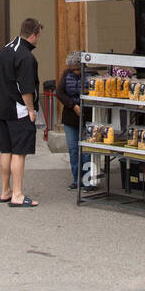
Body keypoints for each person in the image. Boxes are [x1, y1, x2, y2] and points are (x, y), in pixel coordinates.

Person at [0, 17, 41, 207]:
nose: (38, 39)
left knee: (6, 150)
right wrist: (31, 110)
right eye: (38, 35)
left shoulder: (6, 49)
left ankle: (5, 190)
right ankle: (18, 194)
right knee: (19, 152)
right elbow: (26, 88)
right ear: (33, 34)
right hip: (19, 110)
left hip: (2, 107)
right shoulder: (25, 56)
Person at [55, 51, 86, 190]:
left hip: (87, 116)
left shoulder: (91, 74)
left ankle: (88, 179)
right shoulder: (66, 74)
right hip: (70, 116)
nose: (76, 71)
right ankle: (76, 179)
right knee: (73, 149)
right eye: (73, 69)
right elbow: (59, 92)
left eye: (78, 68)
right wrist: (73, 105)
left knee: (86, 150)